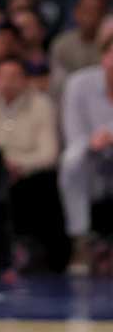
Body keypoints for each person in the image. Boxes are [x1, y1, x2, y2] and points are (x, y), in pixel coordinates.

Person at [0, 57, 67, 271]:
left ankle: (49, 256)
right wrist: (0, 166)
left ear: (25, 80)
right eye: (2, 77)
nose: (7, 82)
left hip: (29, 174)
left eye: (14, 77)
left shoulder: (42, 104)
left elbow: (49, 154)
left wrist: (18, 165)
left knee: (44, 184)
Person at [59, 35, 113, 275]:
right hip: (90, 158)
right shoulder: (78, 83)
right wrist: (94, 141)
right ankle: (80, 241)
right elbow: (73, 135)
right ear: (104, 57)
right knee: (72, 159)